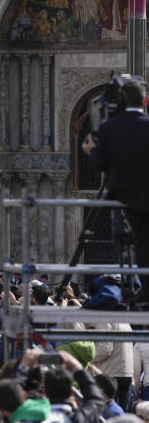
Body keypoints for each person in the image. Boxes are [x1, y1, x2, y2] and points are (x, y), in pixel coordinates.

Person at [84, 76, 149, 306]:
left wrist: (90, 150)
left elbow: (100, 164)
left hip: (126, 197)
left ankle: (144, 290)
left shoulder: (109, 127)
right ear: (146, 101)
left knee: (141, 243)